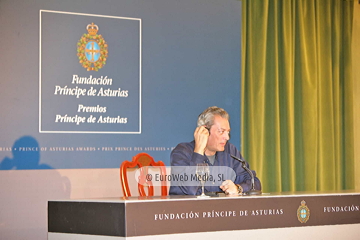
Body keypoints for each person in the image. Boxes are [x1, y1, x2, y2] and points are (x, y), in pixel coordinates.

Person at [169, 106, 261, 196]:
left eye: (228, 132)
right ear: (204, 131)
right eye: (221, 131)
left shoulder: (230, 151)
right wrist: (199, 151)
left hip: (222, 210)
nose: (227, 137)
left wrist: (238, 188)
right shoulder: (182, 152)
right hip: (189, 210)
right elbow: (190, 190)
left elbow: (254, 183)